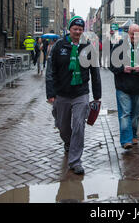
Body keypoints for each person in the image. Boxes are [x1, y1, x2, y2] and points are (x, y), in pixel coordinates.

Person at [46, 16, 101, 175]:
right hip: (62, 93)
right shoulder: (59, 46)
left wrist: (97, 95)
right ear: (70, 29)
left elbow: (95, 72)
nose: (77, 31)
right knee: (63, 127)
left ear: (83, 31)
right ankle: (68, 143)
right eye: (74, 29)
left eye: (80, 29)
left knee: (78, 125)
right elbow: (50, 71)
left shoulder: (88, 47)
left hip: (80, 93)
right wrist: (51, 93)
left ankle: (75, 161)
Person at [109, 24, 139, 150]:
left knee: (135, 115)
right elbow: (111, 64)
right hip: (123, 86)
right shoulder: (119, 45)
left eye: (137, 33)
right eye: (132, 33)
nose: (134, 36)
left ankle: (133, 135)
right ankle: (126, 140)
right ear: (128, 34)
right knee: (125, 114)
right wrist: (122, 69)